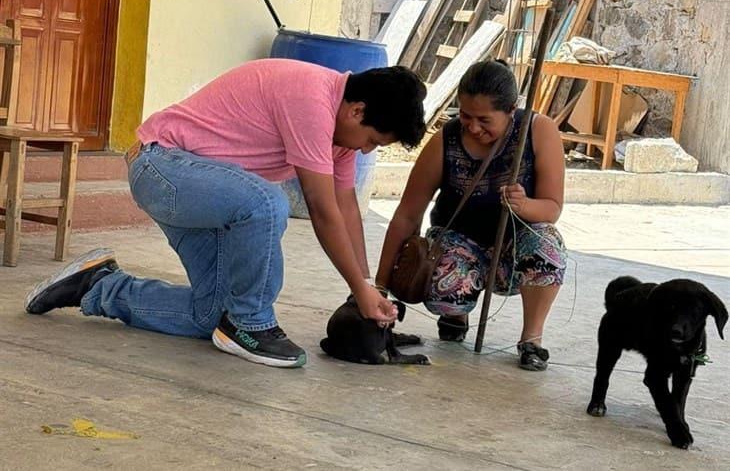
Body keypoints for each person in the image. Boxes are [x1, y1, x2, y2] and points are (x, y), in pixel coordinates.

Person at [24, 58, 427, 369]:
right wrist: (359, 288)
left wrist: (366, 288)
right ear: (357, 111)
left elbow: (345, 210)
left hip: (204, 192)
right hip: (162, 167)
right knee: (267, 203)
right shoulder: (312, 99)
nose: (367, 151)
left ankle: (99, 286)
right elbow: (321, 212)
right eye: (373, 140)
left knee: (212, 317)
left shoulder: (342, 134)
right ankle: (252, 325)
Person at [375, 59, 566, 371]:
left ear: (511, 110)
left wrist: (523, 206)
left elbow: (552, 207)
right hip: (457, 244)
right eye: (465, 115)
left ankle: (532, 339)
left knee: (549, 245)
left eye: (484, 119)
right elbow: (407, 214)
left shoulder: (538, 131)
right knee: (444, 285)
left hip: (514, 251)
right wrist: (379, 287)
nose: (473, 128)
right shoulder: (444, 140)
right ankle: (455, 314)